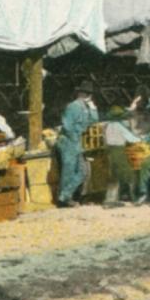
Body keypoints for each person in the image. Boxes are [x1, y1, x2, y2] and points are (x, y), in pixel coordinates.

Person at [55, 79, 96, 208]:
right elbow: (67, 126)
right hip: (69, 141)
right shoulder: (73, 106)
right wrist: (75, 141)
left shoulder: (85, 107)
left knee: (81, 171)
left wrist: (93, 109)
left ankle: (65, 196)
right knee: (69, 171)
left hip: (76, 142)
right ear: (83, 94)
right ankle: (64, 199)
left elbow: (94, 121)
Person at [102, 105, 142, 208]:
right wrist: (141, 138)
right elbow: (131, 138)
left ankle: (110, 200)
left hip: (110, 151)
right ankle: (135, 199)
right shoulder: (119, 126)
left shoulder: (107, 126)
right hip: (119, 151)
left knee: (114, 176)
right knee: (129, 175)